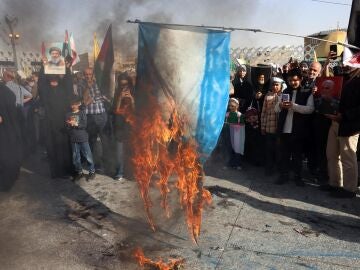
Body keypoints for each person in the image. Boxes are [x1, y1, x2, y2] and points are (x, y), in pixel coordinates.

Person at [275, 68, 314, 186]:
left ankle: (298, 177)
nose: (293, 82)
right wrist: (280, 105)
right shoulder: (284, 91)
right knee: (284, 154)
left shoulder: (307, 92)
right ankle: (284, 175)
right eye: (291, 80)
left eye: (296, 80)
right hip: (284, 129)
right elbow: (276, 109)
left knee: (297, 155)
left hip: (299, 130)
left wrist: (294, 106)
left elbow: (310, 109)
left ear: (301, 79)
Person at [325, 68, 360, 198]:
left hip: (350, 125)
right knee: (332, 154)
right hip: (335, 123)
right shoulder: (342, 78)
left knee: (348, 158)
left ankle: (349, 189)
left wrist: (344, 116)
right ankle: (335, 183)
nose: (346, 64)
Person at [38, 64, 74, 178]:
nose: (53, 80)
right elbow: (41, 82)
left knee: (65, 148)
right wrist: (44, 67)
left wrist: (66, 68)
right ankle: (57, 172)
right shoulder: (46, 91)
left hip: (63, 125)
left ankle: (66, 170)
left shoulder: (64, 89)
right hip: (50, 125)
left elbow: (68, 82)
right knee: (53, 149)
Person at [77, 68, 109, 173]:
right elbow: (84, 100)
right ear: (83, 75)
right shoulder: (81, 84)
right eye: (86, 74)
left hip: (102, 114)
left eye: (90, 74)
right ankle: (97, 165)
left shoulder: (99, 83)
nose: (88, 76)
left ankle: (107, 163)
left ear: (93, 74)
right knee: (93, 141)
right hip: (90, 116)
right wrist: (88, 88)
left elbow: (104, 97)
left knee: (105, 141)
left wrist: (94, 99)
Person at [313, 80, 339, 186]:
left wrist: (330, 101)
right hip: (319, 130)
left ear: (332, 89)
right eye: (323, 87)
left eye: (327, 88)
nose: (324, 90)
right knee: (320, 152)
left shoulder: (337, 101)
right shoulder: (318, 100)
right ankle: (322, 175)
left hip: (331, 129)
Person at [66, 97, 96, 181]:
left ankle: (92, 171)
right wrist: (69, 124)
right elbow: (67, 128)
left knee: (88, 156)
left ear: (78, 104)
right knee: (76, 158)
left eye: (75, 104)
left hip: (83, 138)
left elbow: (84, 125)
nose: (73, 106)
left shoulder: (82, 113)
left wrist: (76, 124)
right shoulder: (68, 114)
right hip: (73, 139)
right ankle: (79, 172)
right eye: (72, 104)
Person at [261, 77, 286, 175]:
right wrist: (263, 126)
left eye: (277, 85)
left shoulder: (284, 96)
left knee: (279, 150)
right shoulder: (267, 96)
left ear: (281, 86)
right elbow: (263, 112)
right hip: (268, 128)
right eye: (274, 85)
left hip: (279, 129)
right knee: (269, 150)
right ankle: (269, 168)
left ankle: (279, 168)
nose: (275, 87)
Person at [0, 83, 22, 191]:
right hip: (11, 129)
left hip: (5, 130)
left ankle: (6, 182)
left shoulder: (4, 93)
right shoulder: (7, 92)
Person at [112, 74, 135, 180]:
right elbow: (116, 110)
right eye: (122, 83)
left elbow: (135, 110)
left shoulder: (133, 92)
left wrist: (131, 99)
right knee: (119, 152)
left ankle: (130, 173)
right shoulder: (117, 93)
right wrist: (120, 98)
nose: (124, 87)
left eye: (126, 83)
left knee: (131, 152)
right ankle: (120, 172)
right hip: (119, 126)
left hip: (130, 127)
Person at [224, 98, 245, 170]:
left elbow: (242, 125)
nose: (231, 107)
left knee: (237, 148)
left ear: (237, 106)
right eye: (230, 106)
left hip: (237, 135)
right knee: (229, 148)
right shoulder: (227, 114)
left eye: (232, 106)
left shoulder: (239, 115)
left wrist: (236, 126)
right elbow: (225, 124)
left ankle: (238, 164)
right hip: (229, 134)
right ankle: (229, 163)